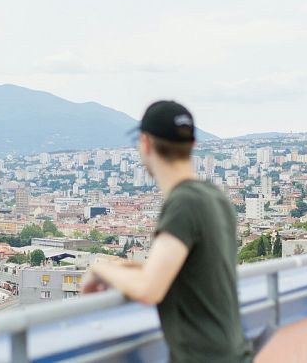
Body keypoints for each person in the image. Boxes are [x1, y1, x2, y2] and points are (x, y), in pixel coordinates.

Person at [81, 100, 252, 363]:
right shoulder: (213, 197)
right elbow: (182, 272)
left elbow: (150, 289)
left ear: (145, 144)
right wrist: (119, 268)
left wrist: (99, 269)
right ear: (192, 145)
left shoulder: (184, 203)